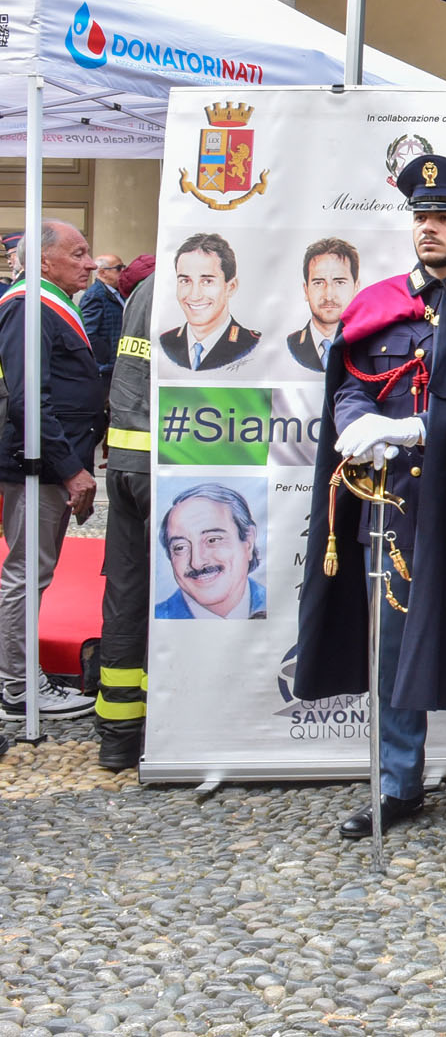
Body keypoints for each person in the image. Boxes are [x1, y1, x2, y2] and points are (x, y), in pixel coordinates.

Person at [295, 155, 446, 849]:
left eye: (445, 217)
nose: (430, 228)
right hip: (393, 507)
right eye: (422, 216)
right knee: (387, 651)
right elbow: (352, 380)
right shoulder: (381, 301)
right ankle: (396, 783)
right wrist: (355, 421)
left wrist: (421, 427)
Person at [0, 222, 102, 718]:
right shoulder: (28, 305)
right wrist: (70, 469)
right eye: (78, 253)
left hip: (50, 462)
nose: (91, 263)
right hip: (37, 467)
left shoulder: (50, 303)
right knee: (26, 574)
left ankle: (19, 678)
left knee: (33, 571)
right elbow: (29, 400)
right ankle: (18, 687)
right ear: (43, 261)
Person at [93, 268, 156, 767]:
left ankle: (118, 737)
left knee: (126, 598)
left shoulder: (145, 289)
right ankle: (161, 729)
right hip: (167, 464)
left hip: (127, 462)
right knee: (178, 601)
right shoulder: (188, 279)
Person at [153, 484, 266, 619]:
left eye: (212, 540)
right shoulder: (155, 619)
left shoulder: (280, 606)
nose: (197, 563)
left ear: (249, 541)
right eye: (180, 547)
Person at [160, 232, 261, 371]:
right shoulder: (164, 343)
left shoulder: (252, 346)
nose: (194, 296)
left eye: (207, 281)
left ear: (231, 287)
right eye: (185, 281)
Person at [287, 238, 359, 373]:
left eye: (339, 282)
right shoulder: (290, 345)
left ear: (356, 288)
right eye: (318, 283)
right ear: (306, 290)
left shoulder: (367, 345)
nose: (329, 296)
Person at [77, 253, 123, 385]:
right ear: (102, 272)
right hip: (105, 368)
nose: (123, 272)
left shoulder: (117, 292)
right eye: (118, 268)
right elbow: (88, 332)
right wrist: (106, 357)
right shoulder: (95, 295)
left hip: (115, 364)